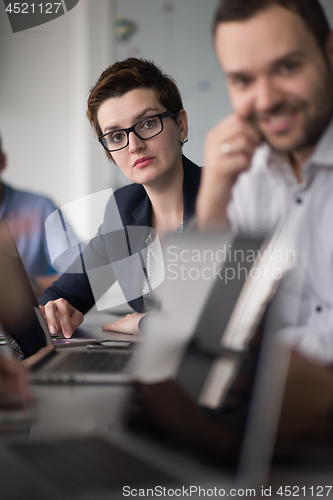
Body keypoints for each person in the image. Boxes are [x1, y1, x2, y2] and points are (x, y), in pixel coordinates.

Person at [196, 0, 333, 364]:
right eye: (243, 80)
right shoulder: (244, 175)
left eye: (287, 67)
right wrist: (212, 206)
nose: (267, 100)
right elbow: (208, 326)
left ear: (329, 52)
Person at [39, 58, 201, 337]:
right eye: (116, 136)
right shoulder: (124, 208)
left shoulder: (227, 197)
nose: (135, 145)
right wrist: (57, 310)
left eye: (148, 123)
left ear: (181, 124)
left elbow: (234, 317)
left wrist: (143, 323)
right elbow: (61, 293)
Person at [0, 133, 61, 296]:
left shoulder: (39, 208)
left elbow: (81, 272)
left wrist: (27, 287)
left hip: (21, 317)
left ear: (2, 161)